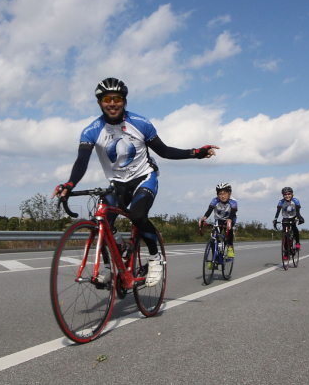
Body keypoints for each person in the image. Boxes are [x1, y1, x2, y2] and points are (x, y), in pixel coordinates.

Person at [52, 77, 219, 287]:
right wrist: (69, 184)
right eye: (106, 98)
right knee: (103, 220)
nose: (112, 103)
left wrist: (196, 153)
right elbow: (81, 161)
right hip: (117, 184)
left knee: (138, 215)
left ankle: (154, 257)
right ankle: (107, 266)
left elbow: (165, 151)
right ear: (99, 102)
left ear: (124, 101)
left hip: (144, 178)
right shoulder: (91, 130)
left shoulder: (140, 123)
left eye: (117, 98)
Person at [199, 183, 238, 261]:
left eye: (225, 193)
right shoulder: (215, 200)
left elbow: (233, 211)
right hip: (219, 220)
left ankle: (230, 247)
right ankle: (214, 258)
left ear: (229, 194)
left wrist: (229, 221)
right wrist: (203, 219)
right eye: (220, 194)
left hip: (230, 218)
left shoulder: (233, 201)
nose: (222, 196)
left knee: (229, 228)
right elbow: (209, 210)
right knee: (214, 236)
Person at [272, 187, 304, 260]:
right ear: (283, 195)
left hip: (294, 216)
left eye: (289, 194)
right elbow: (278, 211)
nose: (287, 196)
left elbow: (298, 211)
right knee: (285, 234)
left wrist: (298, 218)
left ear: (292, 194)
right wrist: (275, 219)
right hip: (285, 217)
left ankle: (298, 243)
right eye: (285, 194)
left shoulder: (296, 201)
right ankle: (286, 252)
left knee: (294, 227)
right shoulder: (281, 202)